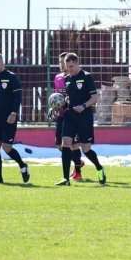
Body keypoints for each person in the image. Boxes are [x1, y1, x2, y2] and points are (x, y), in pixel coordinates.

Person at [59, 53, 106, 186]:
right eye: (67, 67)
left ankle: (99, 168)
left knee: (86, 149)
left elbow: (95, 98)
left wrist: (84, 106)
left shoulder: (87, 77)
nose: (69, 69)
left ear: (77, 63)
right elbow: (68, 99)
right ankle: (65, 178)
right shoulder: (67, 78)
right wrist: (59, 107)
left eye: (72, 66)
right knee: (66, 143)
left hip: (84, 116)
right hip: (70, 116)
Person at [0, 53, 30, 184]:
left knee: (7, 147)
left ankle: (22, 165)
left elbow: (17, 97)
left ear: (2, 63)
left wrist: (14, 113)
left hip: (8, 118)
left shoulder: (11, 77)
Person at [54, 52, 83, 182]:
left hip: (72, 115)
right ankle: (77, 161)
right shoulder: (58, 78)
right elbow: (56, 97)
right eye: (60, 63)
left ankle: (78, 172)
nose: (62, 65)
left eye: (63, 63)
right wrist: (54, 108)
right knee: (60, 145)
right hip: (61, 114)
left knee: (74, 144)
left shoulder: (74, 78)